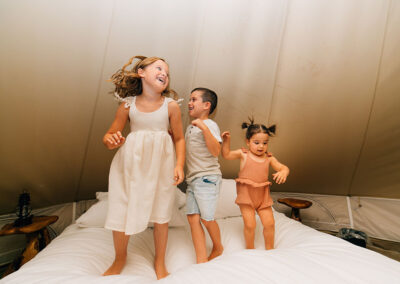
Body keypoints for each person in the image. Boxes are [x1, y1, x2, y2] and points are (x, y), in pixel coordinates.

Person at [102, 56, 185, 279]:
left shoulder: (171, 106)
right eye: (159, 68)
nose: (164, 74)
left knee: (161, 211)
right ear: (141, 72)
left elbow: (179, 138)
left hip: (161, 166)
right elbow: (110, 134)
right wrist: (111, 140)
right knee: (122, 207)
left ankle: (160, 261)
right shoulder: (127, 105)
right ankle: (120, 258)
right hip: (129, 165)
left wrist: (179, 164)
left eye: (167, 72)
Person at [221, 118, 289, 250]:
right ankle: (250, 249)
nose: (261, 146)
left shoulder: (269, 158)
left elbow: (283, 167)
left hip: (262, 197)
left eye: (265, 143)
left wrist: (284, 172)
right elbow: (226, 155)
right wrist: (226, 142)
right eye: (256, 142)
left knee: (269, 224)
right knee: (250, 224)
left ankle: (270, 249)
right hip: (246, 197)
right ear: (248, 142)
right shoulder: (244, 155)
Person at [185, 87, 224, 263]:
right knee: (193, 218)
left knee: (206, 219)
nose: (189, 103)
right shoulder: (190, 127)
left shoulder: (209, 125)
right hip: (193, 179)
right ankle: (201, 259)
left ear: (206, 105)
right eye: (190, 99)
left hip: (207, 178)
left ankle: (218, 247)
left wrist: (203, 128)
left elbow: (216, 150)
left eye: (194, 99)